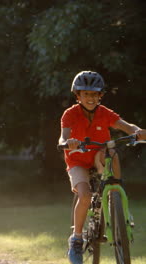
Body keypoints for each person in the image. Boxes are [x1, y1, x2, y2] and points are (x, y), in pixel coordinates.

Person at [58, 71, 146, 264]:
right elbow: (63, 136)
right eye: (86, 94)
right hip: (77, 160)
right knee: (85, 196)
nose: (90, 98)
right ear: (78, 96)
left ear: (100, 96)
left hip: (99, 155)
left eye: (94, 94)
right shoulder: (70, 114)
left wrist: (137, 131)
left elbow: (125, 126)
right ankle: (77, 239)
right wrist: (68, 142)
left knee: (111, 151)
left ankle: (116, 197)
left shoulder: (104, 113)